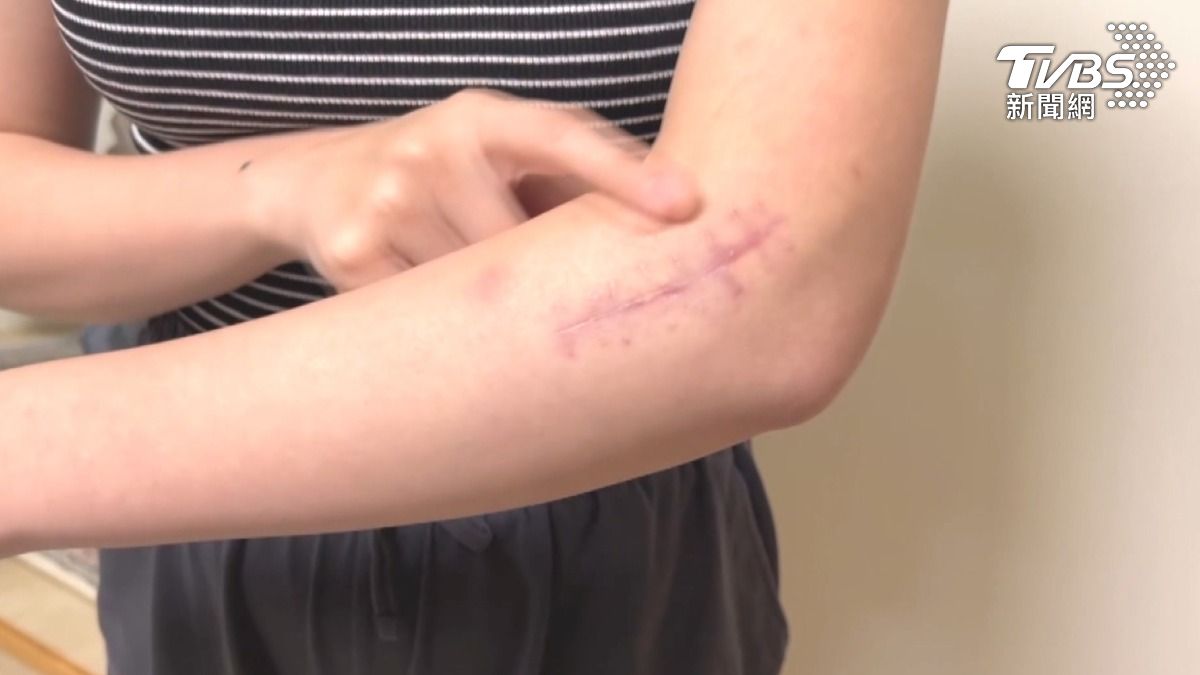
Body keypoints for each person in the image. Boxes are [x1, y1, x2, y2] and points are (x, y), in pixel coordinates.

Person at [0, 0, 950, 672]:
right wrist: (283, 187)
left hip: (600, 525)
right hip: (189, 532)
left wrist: (28, 450)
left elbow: (767, 295)